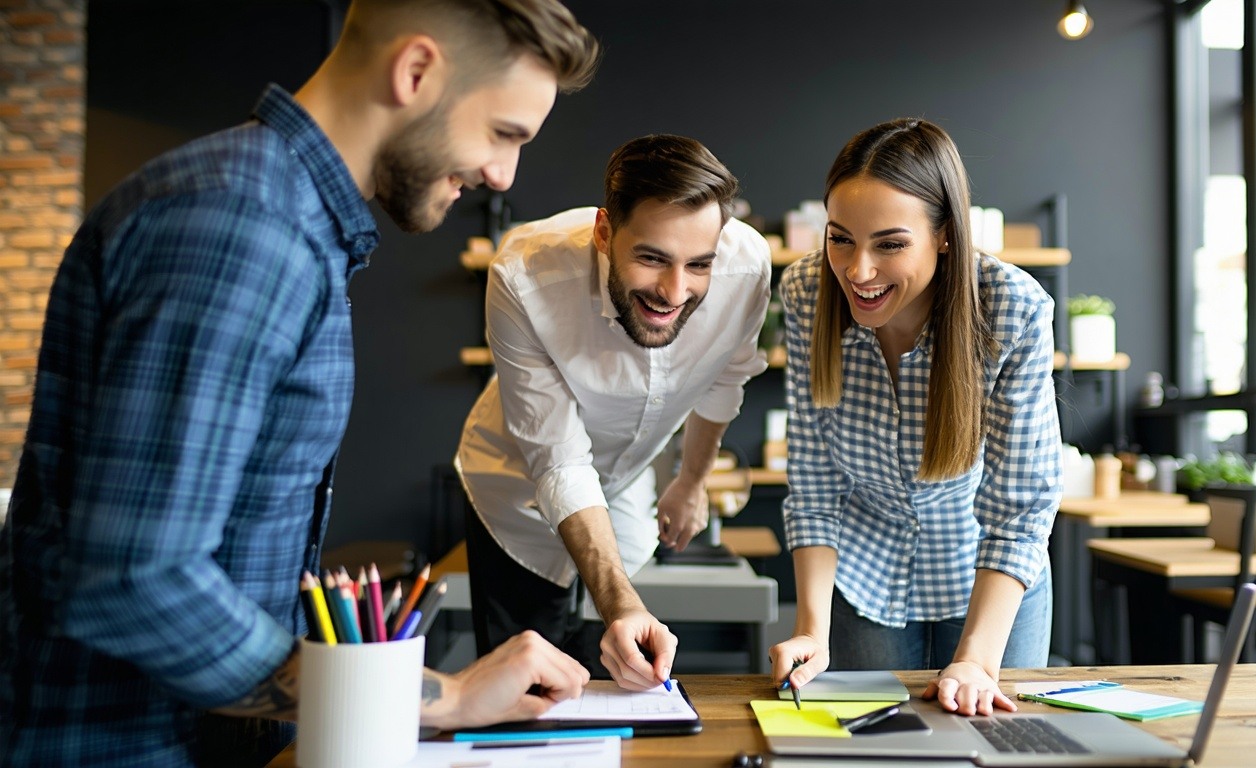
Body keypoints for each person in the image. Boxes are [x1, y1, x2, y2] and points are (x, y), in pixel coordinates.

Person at [0, 1, 600, 765]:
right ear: (415, 72)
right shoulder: (243, 226)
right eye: (503, 133)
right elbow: (137, 579)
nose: (501, 174)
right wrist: (437, 699)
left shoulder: (281, 219)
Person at [456, 134, 772, 691]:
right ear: (605, 231)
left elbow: (725, 377)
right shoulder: (524, 277)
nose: (675, 291)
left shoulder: (746, 268)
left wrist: (691, 481)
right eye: (651, 258)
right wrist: (620, 605)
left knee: (615, 676)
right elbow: (559, 462)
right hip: (516, 495)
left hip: (626, 487)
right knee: (532, 689)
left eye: (698, 264)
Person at [769, 118, 1062, 716]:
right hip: (863, 576)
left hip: (990, 578)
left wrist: (977, 659)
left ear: (947, 235)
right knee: (875, 753)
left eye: (891, 244)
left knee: (992, 750)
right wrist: (810, 630)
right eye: (841, 238)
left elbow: (1020, 507)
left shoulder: (1011, 307)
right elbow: (816, 486)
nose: (858, 270)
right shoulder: (806, 293)